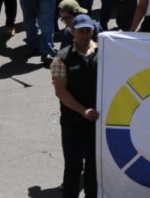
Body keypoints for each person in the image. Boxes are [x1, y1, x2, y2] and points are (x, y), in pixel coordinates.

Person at [51, 14, 101, 198]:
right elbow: (60, 91)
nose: (86, 34)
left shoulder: (103, 53)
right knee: (73, 167)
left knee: (94, 168)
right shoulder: (62, 58)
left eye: (88, 30)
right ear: (72, 32)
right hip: (72, 123)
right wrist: (83, 111)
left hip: (96, 122)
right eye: (81, 31)